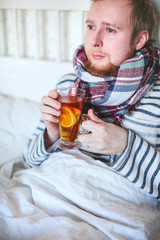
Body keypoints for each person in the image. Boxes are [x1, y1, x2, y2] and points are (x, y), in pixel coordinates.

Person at [23, 0, 160, 199]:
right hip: (44, 196)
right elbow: (27, 161)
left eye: (110, 30)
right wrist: (51, 134)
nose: (95, 40)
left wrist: (124, 145)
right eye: (91, 26)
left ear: (139, 40)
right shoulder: (68, 86)